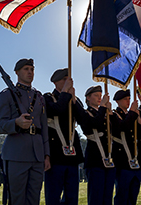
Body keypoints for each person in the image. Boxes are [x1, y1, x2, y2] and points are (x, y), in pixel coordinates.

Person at [0, 58, 50, 205]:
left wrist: (46, 155)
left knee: (34, 198)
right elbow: (0, 125)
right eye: (26, 69)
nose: (30, 72)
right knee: (17, 199)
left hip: (37, 155)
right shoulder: (6, 95)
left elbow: (44, 127)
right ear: (17, 72)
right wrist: (16, 122)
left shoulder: (39, 96)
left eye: (32, 69)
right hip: (16, 154)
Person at [44, 68, 85, 205]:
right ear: (56, 82)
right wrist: (65, 94)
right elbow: (56, 110)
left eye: (69, 79)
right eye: (64, 79)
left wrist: (73, 99)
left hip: (72, 156)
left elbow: (84, 120)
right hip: (56, 155)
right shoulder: (48, 97)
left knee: (72, 197)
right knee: (53, 196)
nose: (69, 82)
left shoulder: (73, 99)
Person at [78, 85, 115, 205]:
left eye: (100, 96)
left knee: (107, 198)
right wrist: (103, 107)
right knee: (96, 197)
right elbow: (95, 124)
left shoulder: (104, 113)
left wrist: (110, 113)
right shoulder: (85, 113)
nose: (99, 98)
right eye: (96, 96)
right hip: (95, 160)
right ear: (88, 98)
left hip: (108, 158)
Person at [111, 89, 141, 205]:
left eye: (129, 99)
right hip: (122, 160)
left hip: (135, 159)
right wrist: (132, 113)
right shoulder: (114, 115)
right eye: (125, 99)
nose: (128, 101)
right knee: (122, 196)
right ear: (118, 101)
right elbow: (122, 128)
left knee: (133, 196)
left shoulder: (132, 115)